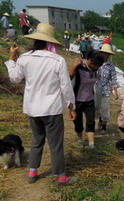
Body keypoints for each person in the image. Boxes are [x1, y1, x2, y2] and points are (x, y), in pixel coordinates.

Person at [5, 23, 77, 185]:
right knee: (55, 144)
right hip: (52, 109)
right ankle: (60, 176)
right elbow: (66, 87)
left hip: (33, 109)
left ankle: (32, 172)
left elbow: (14, 78)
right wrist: (71, 106)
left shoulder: (24, 58)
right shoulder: (57, 60)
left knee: (37, 140)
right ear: (50, 42)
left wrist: (11, 59)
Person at [69, 52, 104, 149]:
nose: (96, 68)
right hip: (77, 99)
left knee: (91, 121)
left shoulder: (96, 70)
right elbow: (68, 77)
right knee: (77, 121)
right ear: (91, 62)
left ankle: (91, 144)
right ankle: (80, 140)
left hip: (90, 99)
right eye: (95, 66)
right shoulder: (79, 66)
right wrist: (74, 65)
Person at [95, 44, 118, 133]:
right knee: (96, 107)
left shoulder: (110, 66)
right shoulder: (96, 62)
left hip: (105, 89)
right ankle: (100, 119)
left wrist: (115, 90)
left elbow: (113, 78)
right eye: (103, 53)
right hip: (95, 88)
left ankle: (104, 125)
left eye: (106, 54)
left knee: (105, 107)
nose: (105, 55)